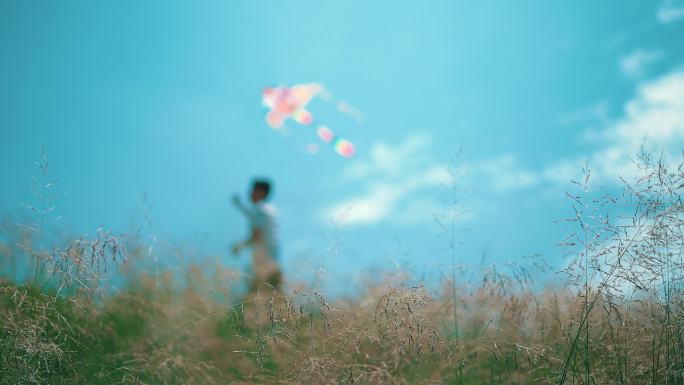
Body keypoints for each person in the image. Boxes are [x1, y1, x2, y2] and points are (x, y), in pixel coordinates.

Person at [231, 178, 282, 293]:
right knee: (275, 296)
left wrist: (239, 246)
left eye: (252, 190)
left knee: (254, 295)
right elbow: (252, 216)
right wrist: (240, 206)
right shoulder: (269, 209)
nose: (249, 193)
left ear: (261, 192)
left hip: (262, 260)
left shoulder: (260, 210)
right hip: (272, 258)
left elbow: (256, 236)